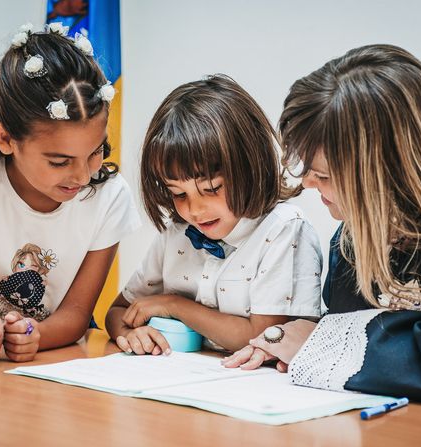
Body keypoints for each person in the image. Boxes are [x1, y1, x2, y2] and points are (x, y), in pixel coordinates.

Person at [223, 44, 421, 406]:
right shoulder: (356, 237)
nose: (308, 184)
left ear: (388, 173)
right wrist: (297, 344)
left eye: (322, 175)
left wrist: (319, 344)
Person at [0, 23, 141, 367]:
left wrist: (35, 335)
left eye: (95, 152)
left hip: (59, 341)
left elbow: (77, 313)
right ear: (6, 139)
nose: (83, 175)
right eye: (60, 161)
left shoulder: (110, 197)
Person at [106, 75, 323, 354]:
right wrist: (129, 333)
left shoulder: (283, 229)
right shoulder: (178, 233)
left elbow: (262, 337)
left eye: (211, 189)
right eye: (179, 194)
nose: (194, 210)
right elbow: (119, 311)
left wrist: (174, 304)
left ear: (249, 166)